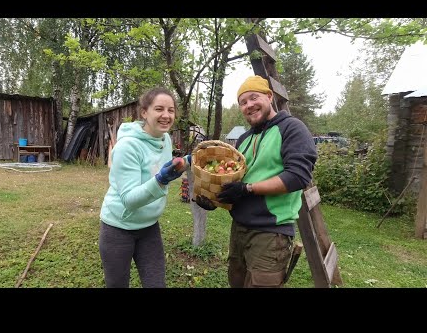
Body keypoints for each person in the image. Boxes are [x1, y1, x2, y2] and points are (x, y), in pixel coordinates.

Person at [196, 75, 317, 288]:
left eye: (254, 98)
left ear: (269, 97)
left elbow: (298, 176)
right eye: (243, 102)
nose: (249, 105)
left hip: (271, 233)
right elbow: (236, 185)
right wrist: (214, 200)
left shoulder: (292, 128)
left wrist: (248, 189)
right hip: (240, 229)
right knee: (236, 282)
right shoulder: (244, 139)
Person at [98, 87, 190, 288]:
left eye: (171, 110)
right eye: (159, 109)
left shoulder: (165, 139)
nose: (166, 115)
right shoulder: (128, 146)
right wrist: (161, 180)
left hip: (149, 226)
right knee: (117, 285)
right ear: (144, 112)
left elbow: (157, 172)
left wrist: (183, 165)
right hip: (118, 227)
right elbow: (129, 200)